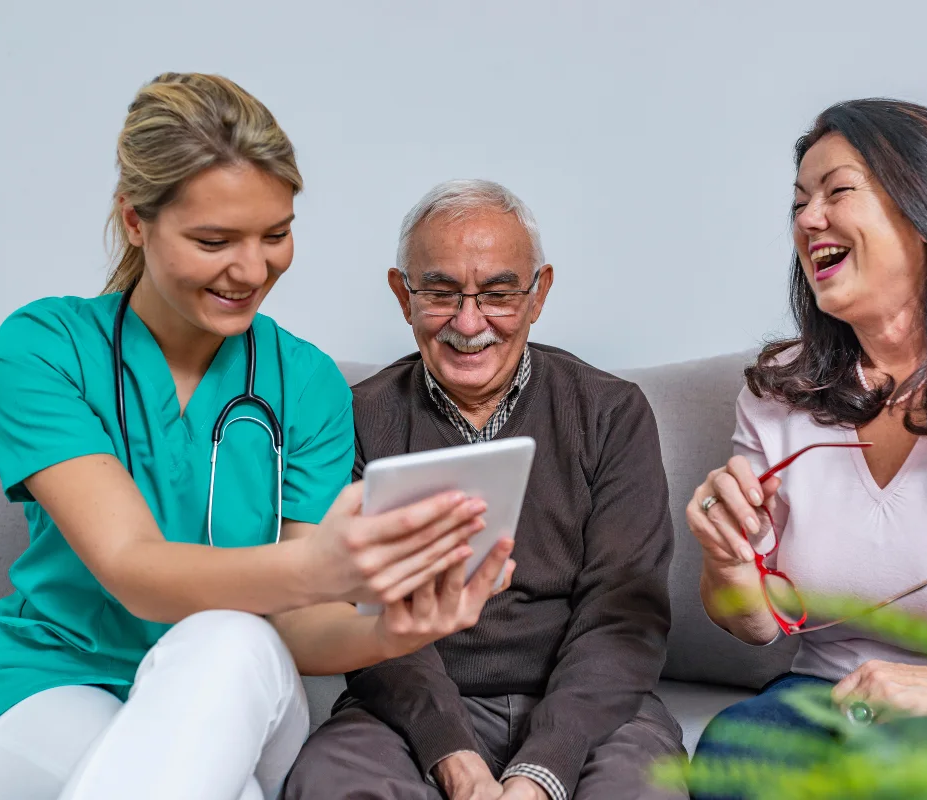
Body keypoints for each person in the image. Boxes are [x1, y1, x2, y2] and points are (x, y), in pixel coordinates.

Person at [0, 73, 512, 800]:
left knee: (231, 636)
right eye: (214, 240)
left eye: (276, 234)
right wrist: (322, 570)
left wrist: (396, 631)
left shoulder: (305, 384)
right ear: (136, 220)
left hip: (241, 694)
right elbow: (133, 569)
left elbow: (299, 633)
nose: (251, 269)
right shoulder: (42, 348)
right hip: (48, 687)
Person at [687, 98, 927, 793]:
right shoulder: (780, 392)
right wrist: (726, 563)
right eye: (800, 202)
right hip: (835, 703)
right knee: (731, 754)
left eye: (838, 191)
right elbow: (755, 622)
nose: (808, 220)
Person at [285, 179, 686, 800]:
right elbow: (369, 614)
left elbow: (623, 614)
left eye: (498, 294)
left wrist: (542, 768)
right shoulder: (356, 418)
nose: (469, 323)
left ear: (538, 294)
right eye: (441, 294)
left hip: (587, 711)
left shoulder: (611, 412)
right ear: (403, 294)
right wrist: (455, 757)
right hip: (411, 710)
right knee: (330, 783)